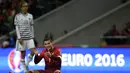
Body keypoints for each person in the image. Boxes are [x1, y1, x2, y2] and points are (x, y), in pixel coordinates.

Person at [14, 1, 37, 73]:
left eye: (26, 6)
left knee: (33, 52)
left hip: (29, 37)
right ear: (21, 7)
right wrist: (19, 37)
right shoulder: (17, 16)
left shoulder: (30, 16)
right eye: (24, 6)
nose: (26, 7)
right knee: (23, 54)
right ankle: (25, 70)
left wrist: (33, 36)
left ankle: (26, 65)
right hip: (22, 38)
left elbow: (31, 26)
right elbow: (17, 28)